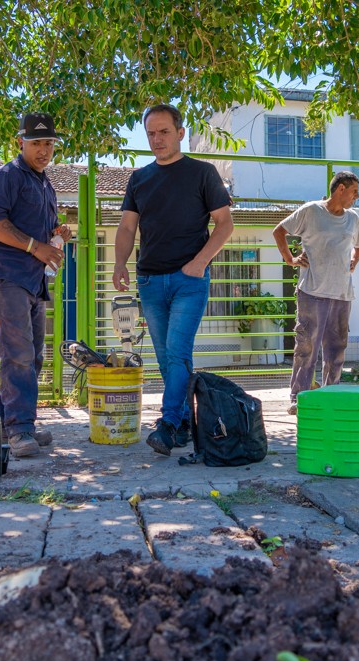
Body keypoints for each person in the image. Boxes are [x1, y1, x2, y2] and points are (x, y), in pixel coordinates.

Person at [113, 104, 234, 455]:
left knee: (178, 353)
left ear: (180, 133)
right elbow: (126, 226)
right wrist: (120, 263)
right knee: (166, 357)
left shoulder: (203, 173)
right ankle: (182, 423)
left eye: (164, 132)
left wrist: (199, 263)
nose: (157, 139)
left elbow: (225, 225)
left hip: (188, 281)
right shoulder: (139, 178)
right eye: (151, 133)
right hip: (150, 282)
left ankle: (168, 424)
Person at [0, 112, 72, 457]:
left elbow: (39, 231)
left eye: (49, 143)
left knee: (32, 356)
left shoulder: (44, 183)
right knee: (17, 354)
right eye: (37, 143)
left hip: (32, 280)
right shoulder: (6, 176)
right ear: (21, 142)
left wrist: (57, 234)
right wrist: (36, 246)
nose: (44, 150)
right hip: (5, 275)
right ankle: (19, 432)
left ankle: (14, 424)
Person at [273, 171, 359, 414]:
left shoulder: (353, 219)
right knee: (306, 346)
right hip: (312, 292)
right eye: (354, 191)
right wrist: (290, 259)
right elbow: (279, 231)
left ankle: (330, 394)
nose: (357, 197)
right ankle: (298, 398)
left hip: (342, 294)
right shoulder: (311, 211)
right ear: (341, 189)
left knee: (336, 348)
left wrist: (354, 261)